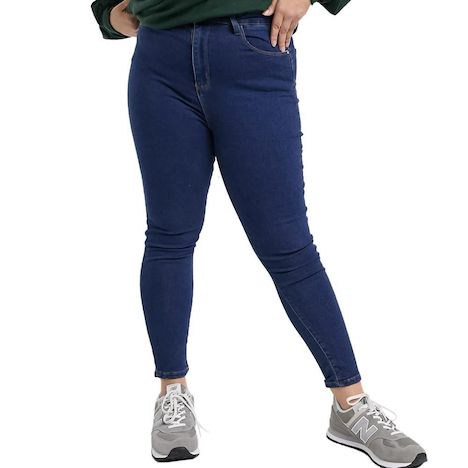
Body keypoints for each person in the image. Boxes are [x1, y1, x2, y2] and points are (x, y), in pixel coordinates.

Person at [91, 1, 427, 466]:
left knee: (289, 247)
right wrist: (108, 11)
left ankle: (350, 405)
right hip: (159, 57)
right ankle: (172, 394)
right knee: (169, 236)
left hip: (253, 45)